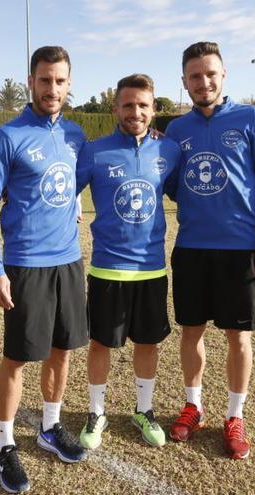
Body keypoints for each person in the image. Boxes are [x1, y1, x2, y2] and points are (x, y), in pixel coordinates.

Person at [163, 41, 255, 460]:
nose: (203, 82)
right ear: (184, 83)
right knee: (191, 331)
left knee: (239, 336)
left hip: (240, 250)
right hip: (192, 248)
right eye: (194, 76)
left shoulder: (254, 118)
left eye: (210, 73)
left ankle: (235, 415)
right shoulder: (177, 130)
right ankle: (193, 405)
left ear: (224, 74)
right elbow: (172, 184)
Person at [0, 45, 88, 494]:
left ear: (69, 83)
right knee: (18, 358)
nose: (53, 89)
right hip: (25, 266)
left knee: (62, 349)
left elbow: (75, 182)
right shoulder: (7, 137)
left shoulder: (77, 134)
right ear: (31, 82)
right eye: (45, 80)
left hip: (69, 261)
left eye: (60, 81)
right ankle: (4, 444)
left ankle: (50, 426)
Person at [74, 74, 181, 450]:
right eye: (128, 105)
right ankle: (96, 411)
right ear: (115, 107)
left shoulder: (168, 151)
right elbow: (60, 190)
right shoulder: (94, 151)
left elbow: (187, 194)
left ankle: (144, 410)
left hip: (152, 269)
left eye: (143, 105)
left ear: (153, 109)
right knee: (101, 343)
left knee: (148, 343)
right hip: (107, 268)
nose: (135, 112)